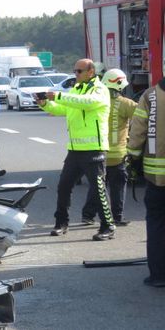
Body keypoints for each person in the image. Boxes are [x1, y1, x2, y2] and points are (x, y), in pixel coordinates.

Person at [37, 58, 115, 241]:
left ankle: (108, 226)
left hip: (94, 149)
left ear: (91, 72)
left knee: (98, 190)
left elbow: (86, 103)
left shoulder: (100, 89)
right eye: (74, 71)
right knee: (63, 186)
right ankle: (61, 223)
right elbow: (62, 109)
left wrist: (56, 96)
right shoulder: (75, 90)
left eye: (79, 71)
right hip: (75, 149)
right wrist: (45, 104)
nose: (76, 74)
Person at [81, 69, 137, 226]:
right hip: (118, 154)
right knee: (118, 185)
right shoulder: (126, 104)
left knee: (98, 184)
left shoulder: (95, 101)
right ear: (120, 85)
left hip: (96, 151)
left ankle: (88, 215)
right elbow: (142, 119)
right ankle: (117, 217)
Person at [126, 76, 165, 287]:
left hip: (157, 179)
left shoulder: (150, 96)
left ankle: (159, 276)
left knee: (157, 225)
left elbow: (138, 131)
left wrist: (132, 157)